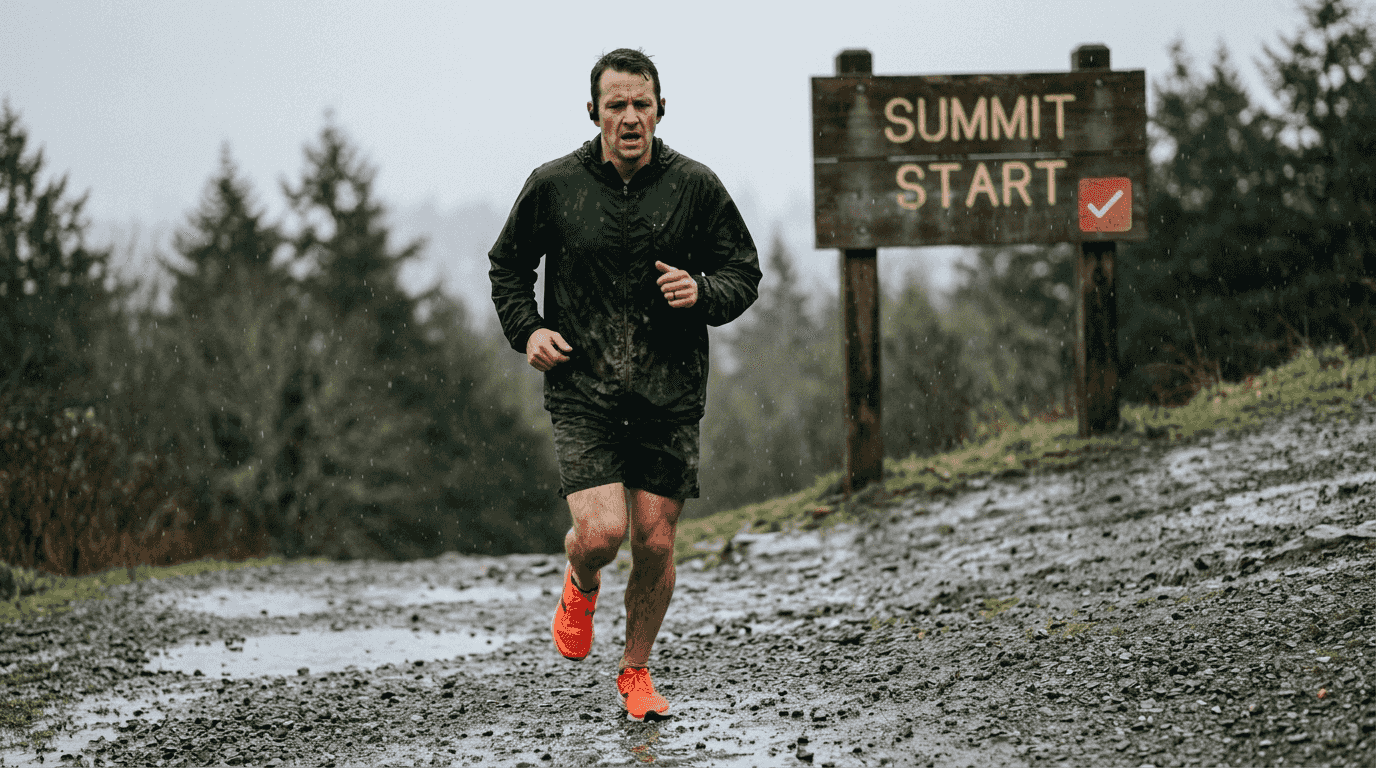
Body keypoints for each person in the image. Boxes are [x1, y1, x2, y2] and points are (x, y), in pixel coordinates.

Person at [489, 48, 761, 722]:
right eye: (617, 105)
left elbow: (743, 272)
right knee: (602, 533)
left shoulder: (695, 186)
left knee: (656, 540)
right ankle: (581, 578)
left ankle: (635, 671)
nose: (631, 116)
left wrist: (702, 291)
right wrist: (528, 330)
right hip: (584, 389)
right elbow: (508, 267)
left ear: (661, 110)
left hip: (670, 391)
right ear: (594, 113)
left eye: (642, 103)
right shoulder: (554, 185)